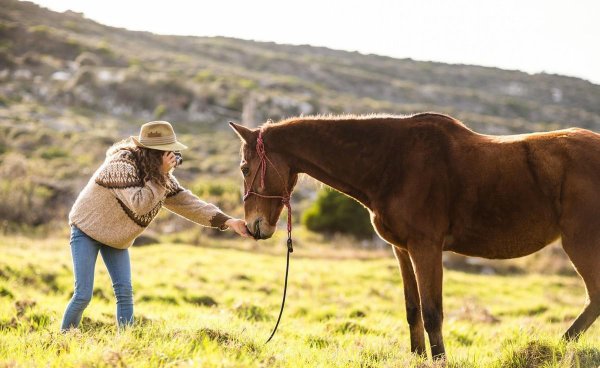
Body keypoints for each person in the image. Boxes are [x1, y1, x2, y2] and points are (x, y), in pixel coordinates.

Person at [61, 121, 250, 331]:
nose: (173, 157)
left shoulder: (160, 176)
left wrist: (228, 221)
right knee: (83, 294)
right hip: (87, 230)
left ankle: (126, 343)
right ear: (154, 152)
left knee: (124, 293)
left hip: (116, 237)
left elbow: (188, 203)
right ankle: (64, 338)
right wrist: (162, 174)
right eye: (168, 151)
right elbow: (140, 204)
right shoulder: (121, 165)